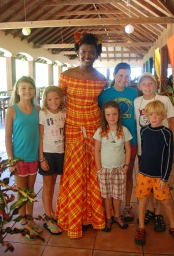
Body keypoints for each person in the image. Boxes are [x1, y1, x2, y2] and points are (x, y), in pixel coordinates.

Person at [56, 32, 107, 238]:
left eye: (91, 52)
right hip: (73, 128)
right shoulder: (66, 76)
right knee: (74, 172)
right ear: (77, 52)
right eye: (83, 51)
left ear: (97, 55)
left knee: (93, 171)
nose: (87, 55)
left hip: (94, 128)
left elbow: (103, 105)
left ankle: (91, 216)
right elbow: (57, 102)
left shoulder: (102, 79)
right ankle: (73, 217)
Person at [135, 100, 174, 245]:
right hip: (144, 173)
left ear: (163, 116)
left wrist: (165, 177)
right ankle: (141, 228)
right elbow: (144, 151)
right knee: (142, 199)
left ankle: (173, 227)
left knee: (166, 201)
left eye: (158, 114)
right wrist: (140, 169)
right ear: (146, 115)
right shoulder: (144, 131)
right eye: (151, 114)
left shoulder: (166, 133)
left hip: (159, 176)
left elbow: (169, 156)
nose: (154, 117)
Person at [134, 72, 174, 231]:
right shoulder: (137, 101)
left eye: (150, 83)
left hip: (161, 147)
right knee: (147, 181)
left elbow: (172, 121)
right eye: (144, 84)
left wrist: (170, 143)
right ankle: (150, 209)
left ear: (156, 85)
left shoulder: (164, 100)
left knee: (159, 181)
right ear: (139, 86)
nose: (147, 86)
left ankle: (158, 212)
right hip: (143, 147)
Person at [98, 62, 138, 222]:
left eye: (127, 76)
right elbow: (98, 116)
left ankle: (126, 206)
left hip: (130, 140)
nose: (124, 79)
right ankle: (108, 209)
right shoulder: (104, 95)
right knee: (107, 176)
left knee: (126, 174)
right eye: (121, 75)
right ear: (114, 75)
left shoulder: (134, 93)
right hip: (109, 142)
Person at [5, 76, 42, 240]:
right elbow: (7, 137)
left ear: (34, 90)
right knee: (22, 192)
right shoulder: (12, 110)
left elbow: (41, 136)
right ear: (17, 91)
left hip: (33, 157)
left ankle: (30, 218)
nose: (27, 91)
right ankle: (23, 221)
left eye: (30, 88)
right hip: (19, 159)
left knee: (31, 191)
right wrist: (11, 160)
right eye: (23, 88)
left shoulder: (38, 109)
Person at [94, 101, 132, 232]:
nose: (111, 117)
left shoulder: (124, 130)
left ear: (119, 115)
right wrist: (99, 168)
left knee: (117, 195)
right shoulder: (100, 131)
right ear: (104, 116)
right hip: (104, 169)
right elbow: (96, 150)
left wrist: (126, 166)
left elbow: (128, 148)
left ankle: (117, 216)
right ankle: (109, 218)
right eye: (108, 114)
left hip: (119, 169)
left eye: (114, 114)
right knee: (107, 195)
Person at [38, 86, 66, 235]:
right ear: (45, 100)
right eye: (49, 99)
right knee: (47, 186)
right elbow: (40, 137)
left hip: (61, 152)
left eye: (56, 98)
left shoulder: (64, 112)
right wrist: (41, 158)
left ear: (61, 98)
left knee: (55, 183)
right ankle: (48, 218)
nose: (53, 101)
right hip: (48, 153)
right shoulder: (43, 113)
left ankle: (52, 211)